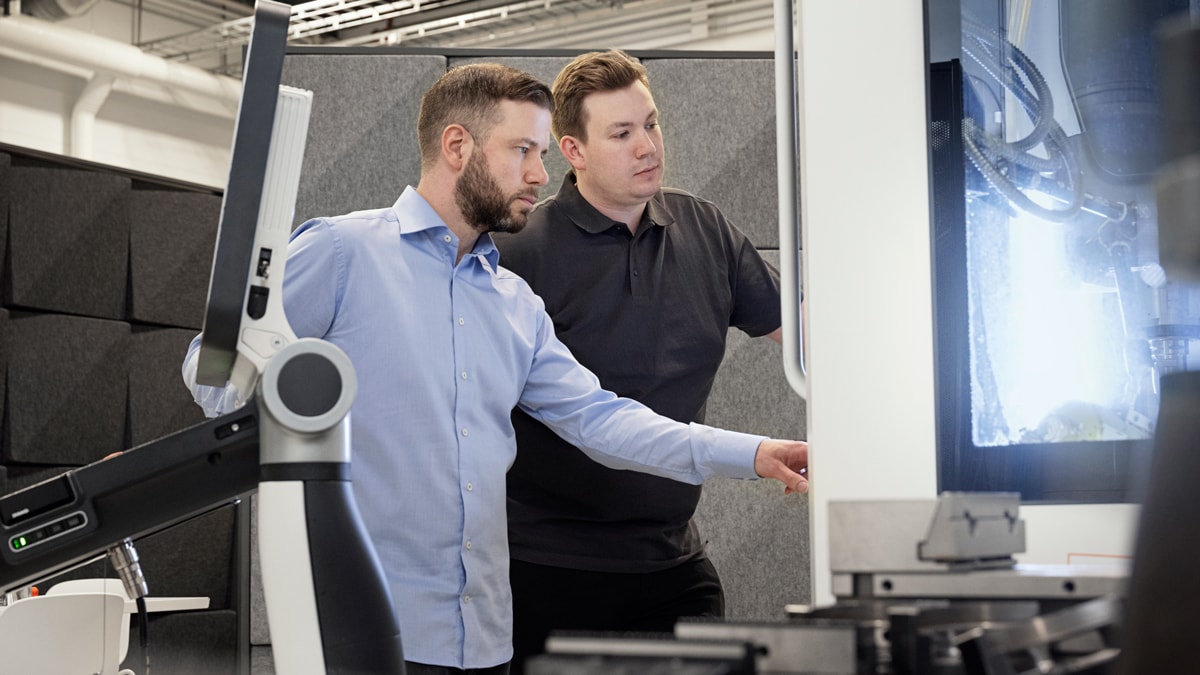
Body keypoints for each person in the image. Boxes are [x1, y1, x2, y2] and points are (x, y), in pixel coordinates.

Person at [181, 63, 808, 674]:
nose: (540, 173)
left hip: (483, 636)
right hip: (373, 624)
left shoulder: (513, 301)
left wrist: (752, 453)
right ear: (458, 146)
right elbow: (211, 378)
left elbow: (602, 421)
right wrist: (287, 381)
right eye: (524, 151)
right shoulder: (345, 252)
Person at [491, 50, 786, 670]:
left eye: (650, 124)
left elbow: (812, 339)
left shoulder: (706, 229)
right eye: (621, 134)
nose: (647, 145)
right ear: (571, 151)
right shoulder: (520, 255)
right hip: (546, 568)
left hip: (671, 562)